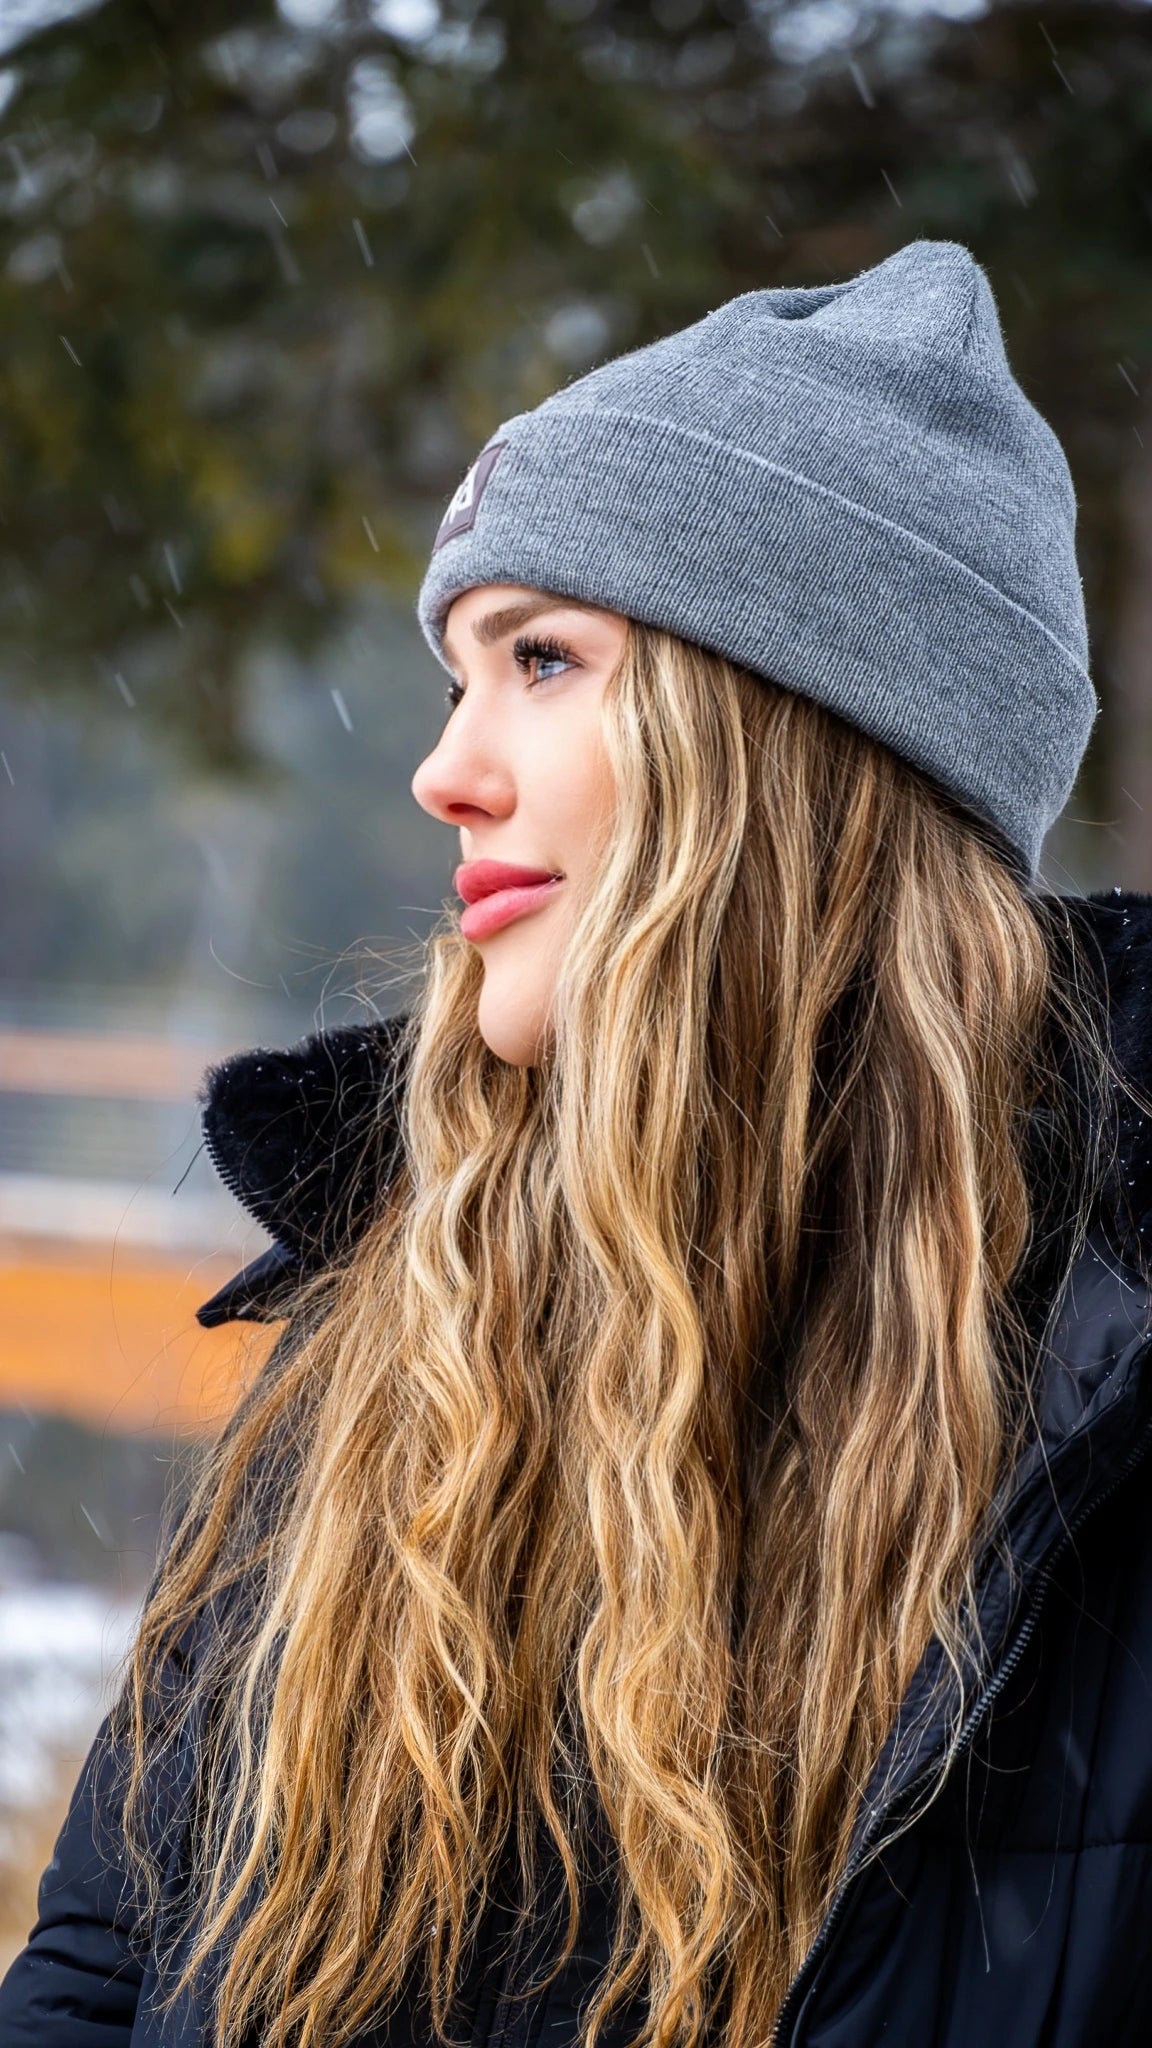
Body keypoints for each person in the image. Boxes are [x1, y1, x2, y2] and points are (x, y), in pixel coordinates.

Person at [3, 238, 1152, 2048]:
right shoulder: (386, 1331)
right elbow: (104, 1962)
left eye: (542, 659)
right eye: (461, 675)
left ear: (793, 745)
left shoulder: (1104, 1414)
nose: (446, 769)